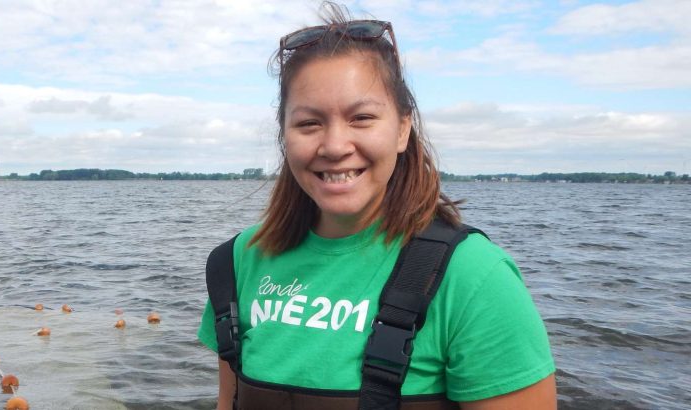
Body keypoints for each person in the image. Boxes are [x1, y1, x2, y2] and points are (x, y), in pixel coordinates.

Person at [197, 4, 556, 409]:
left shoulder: (475, 278)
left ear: (402, 128)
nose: (334, 146)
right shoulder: (237, 263)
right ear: (284, 135)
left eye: (362, 117)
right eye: (309, 123)